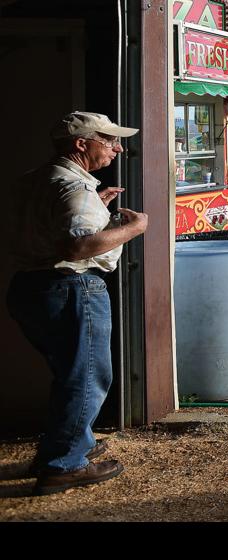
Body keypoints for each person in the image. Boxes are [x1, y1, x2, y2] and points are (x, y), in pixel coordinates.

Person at [8, 112, 146, 494]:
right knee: (86, 377)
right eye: (109, 140)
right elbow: (77, 246)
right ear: (81, 144)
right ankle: (63, 465)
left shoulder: (34, 180)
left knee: (69, 373)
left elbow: (47, 227)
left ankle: (66, 446)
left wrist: (97, 207)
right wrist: (134, 229)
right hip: (71, 287)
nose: (118, 147)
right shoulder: (74, 188)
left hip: (28, 287)